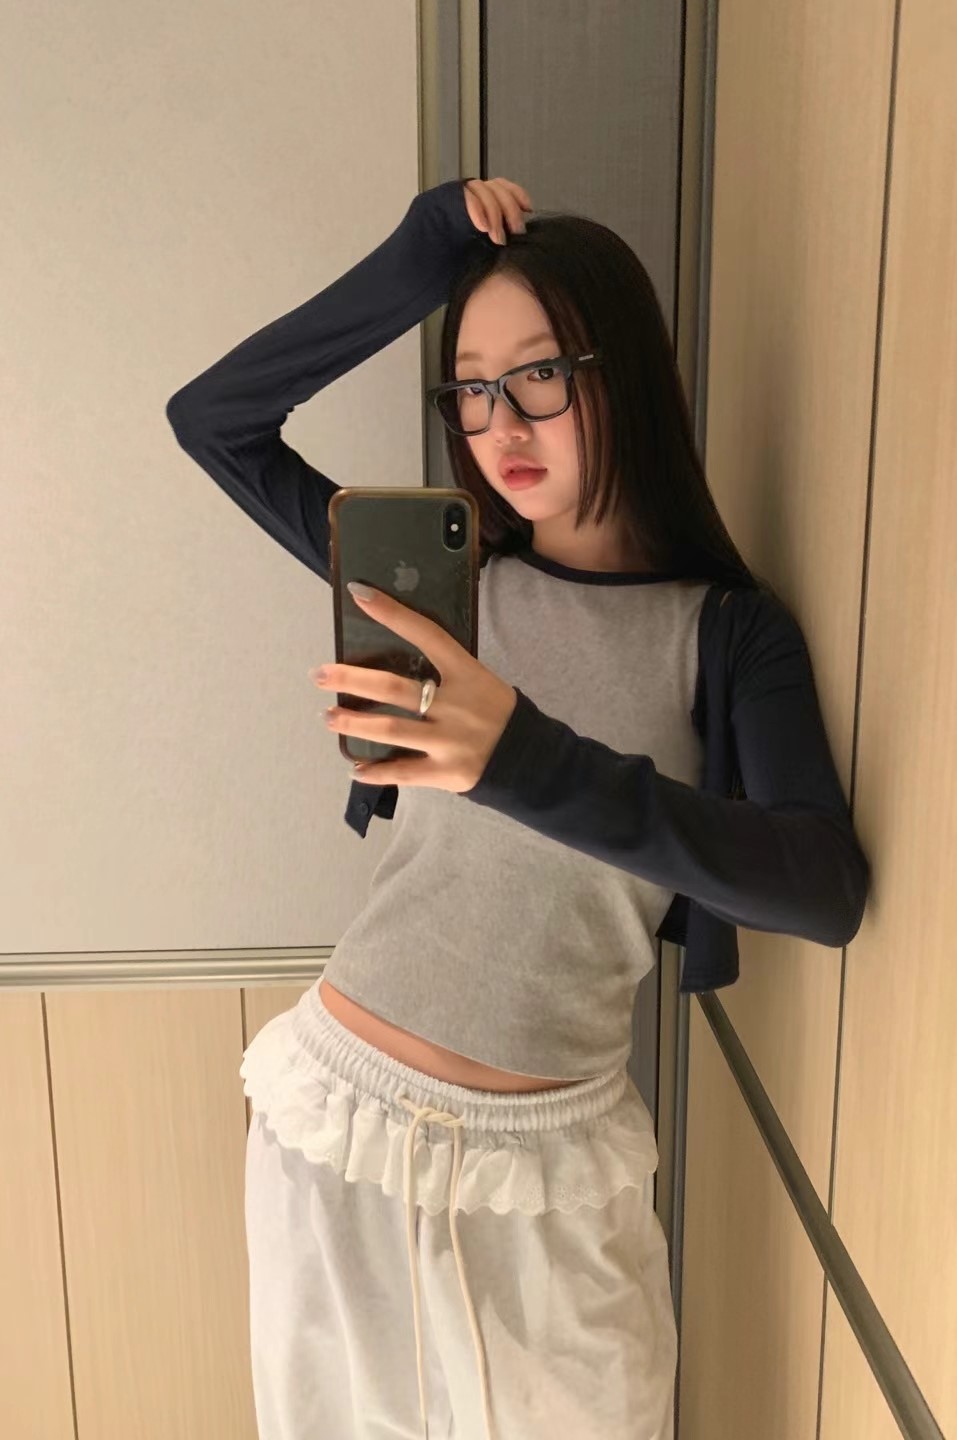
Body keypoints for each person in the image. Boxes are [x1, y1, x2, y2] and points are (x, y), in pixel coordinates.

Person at [165, 175, 869, 1440]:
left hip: (553, 1166)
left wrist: (521, 761)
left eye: (539, 374)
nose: (501, 423)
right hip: (339, 1122)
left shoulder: (727, 634)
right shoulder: (449, 594)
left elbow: (820, 888)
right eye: (472, 388)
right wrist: (419, 258)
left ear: (625, 372)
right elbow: (216, 421)